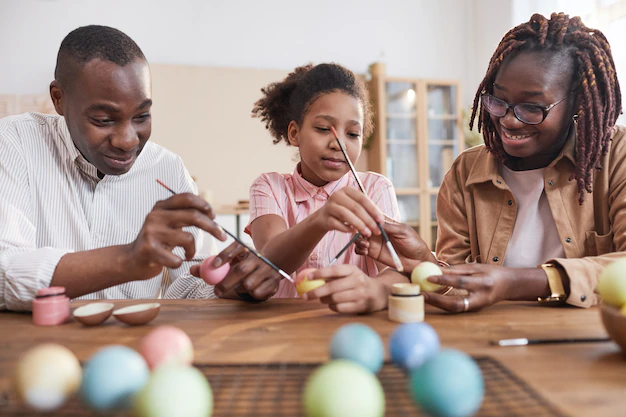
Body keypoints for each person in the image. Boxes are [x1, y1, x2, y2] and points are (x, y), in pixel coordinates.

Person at [354, 12, 625, 312]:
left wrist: (516, 282)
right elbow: (455, 291)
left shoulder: (616, 157)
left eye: (532, 107)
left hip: (591, 348)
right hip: (495, 342)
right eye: (498, 101)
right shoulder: (465, 173)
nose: (508, 120)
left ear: (577, 103)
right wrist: (424, 262)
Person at [0, 25, 228, 311]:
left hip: (132, 350)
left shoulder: (168, 169)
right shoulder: (14, 143)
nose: (127, 140)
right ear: (58, 98)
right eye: (104, 120)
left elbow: (192, 290)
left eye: (142, 116)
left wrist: (225, 284)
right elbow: (3, 271)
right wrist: (127, 260)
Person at [210, 63, 405, 312]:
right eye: (324, 129)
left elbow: (398, 270)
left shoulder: (376, 188)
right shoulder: (269, 187)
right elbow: (271, 260)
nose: (339, 144)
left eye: (353, 134)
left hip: (354, 325)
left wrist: (377, 290)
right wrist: (320, 220)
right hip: (280, 329)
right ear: (294, 133)